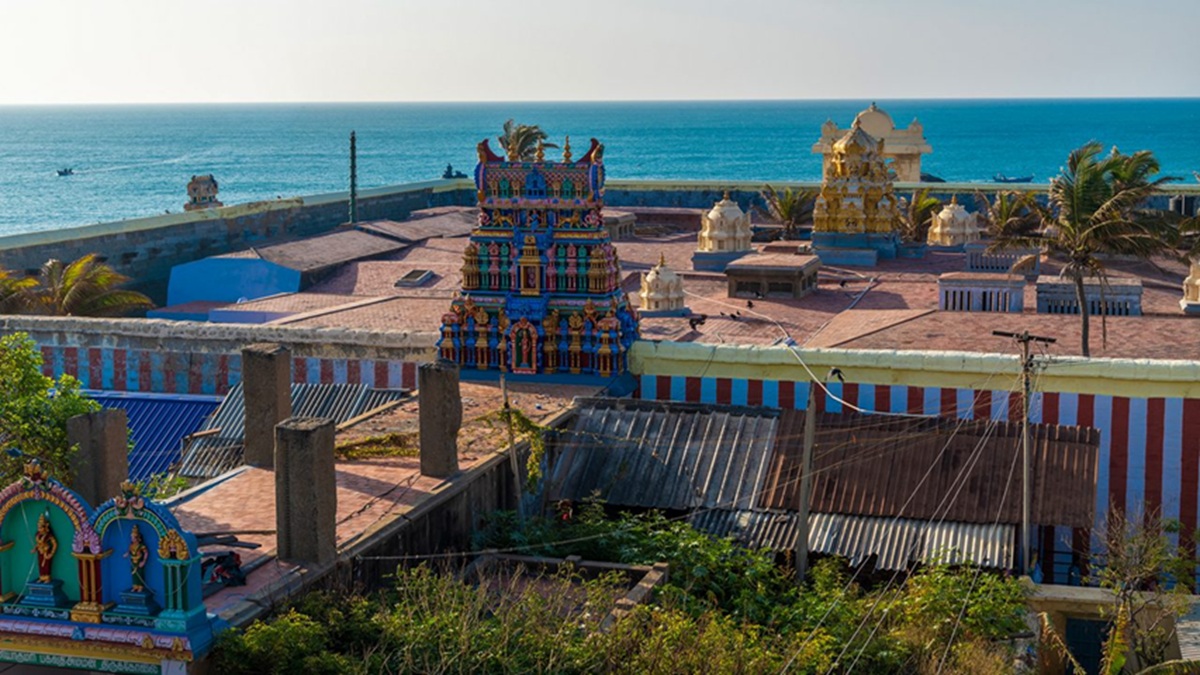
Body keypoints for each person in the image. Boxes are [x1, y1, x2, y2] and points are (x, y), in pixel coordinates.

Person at [32, 514, 57, 583]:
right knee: (40, 564)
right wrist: (35, 548)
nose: (39, 529)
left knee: (46, 565)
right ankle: (42, 577)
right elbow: (38, 544)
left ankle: (47, 577)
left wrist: (52, 553)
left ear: (45, 527)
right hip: (40, 551)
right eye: (38, 527)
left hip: (46, 551)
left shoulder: (48, 535)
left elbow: (55, 544)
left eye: (40, 528)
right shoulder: (38, 534)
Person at [126, 525, 149, 592]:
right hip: (133, 561)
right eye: (131, 537)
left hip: (139, 561)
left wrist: (144, 561)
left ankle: (140, 586)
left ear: (137, 538)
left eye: (133, 538)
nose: (132, 539)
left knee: (140, 573)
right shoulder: (131, 545)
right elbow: (129, 551)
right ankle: (135, 586)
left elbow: (146, 553)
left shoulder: (141, 546)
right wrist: (126, 554)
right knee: (134, 574)